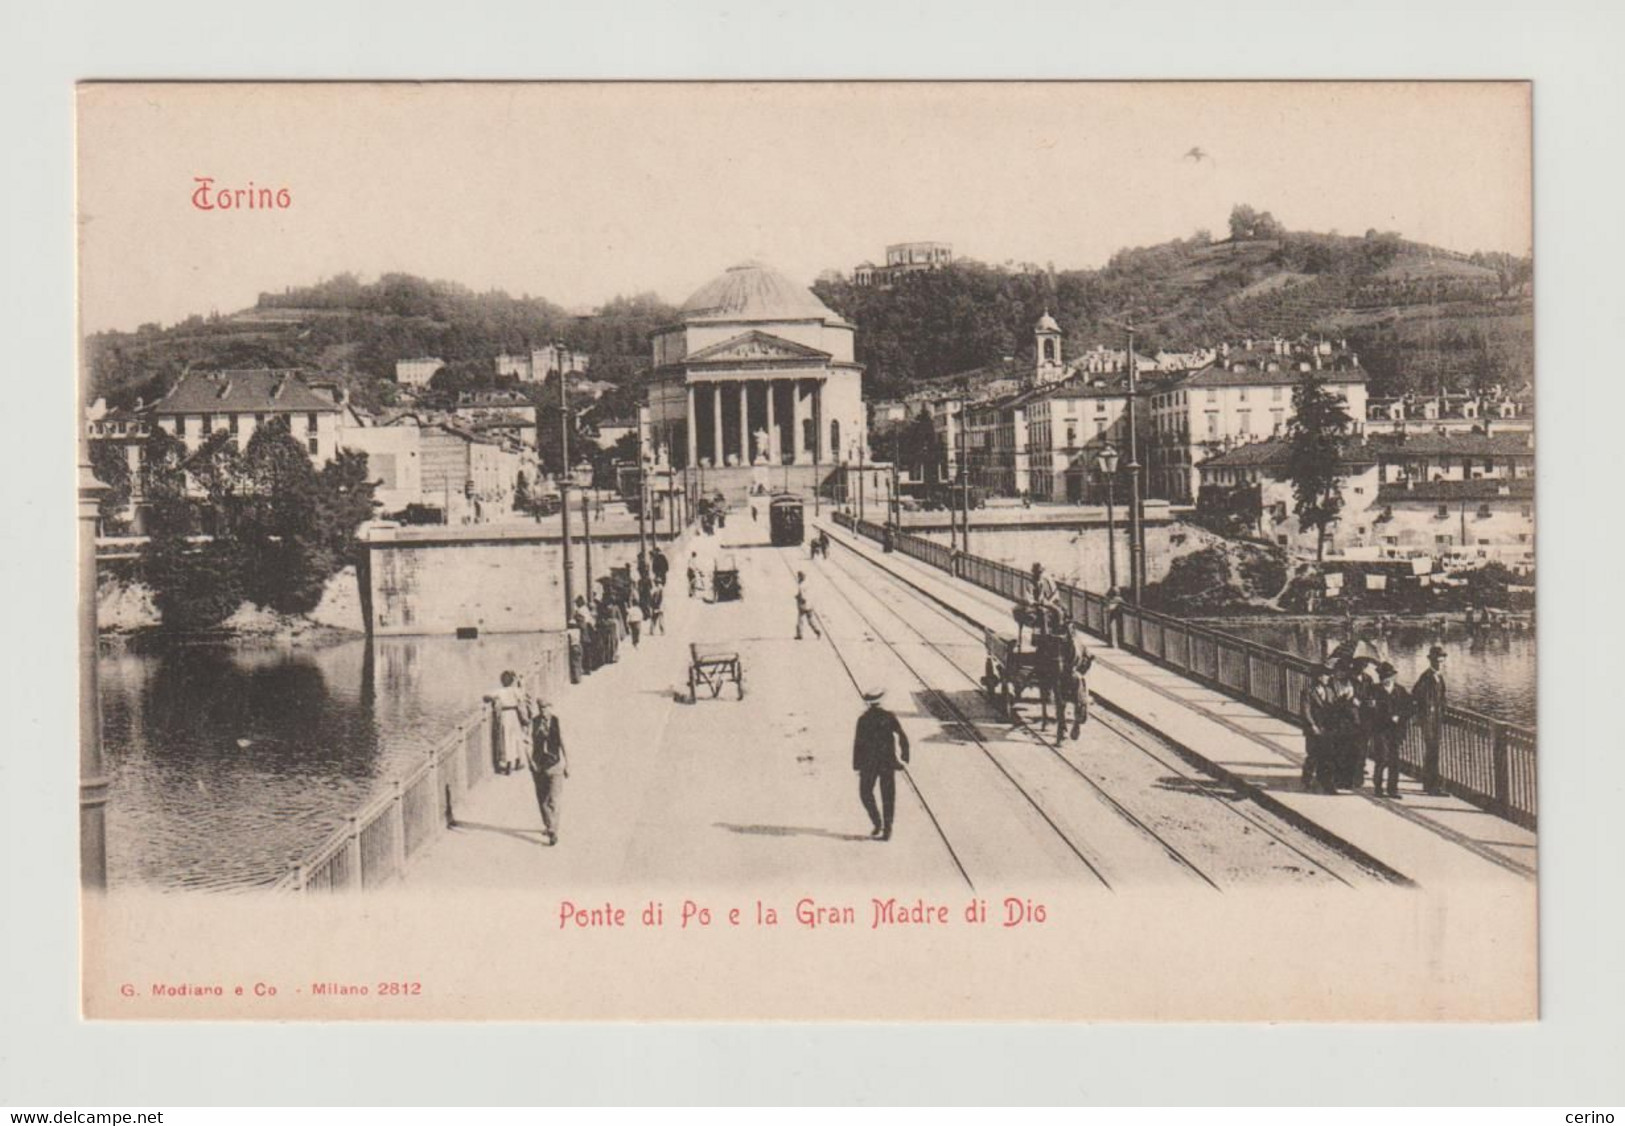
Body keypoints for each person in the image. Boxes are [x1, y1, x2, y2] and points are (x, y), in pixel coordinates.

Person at [852, 687, 910, 840]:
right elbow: (902, 736)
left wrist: (857, 765)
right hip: (887, 762)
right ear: (881, 701)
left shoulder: (863, 719)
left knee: (865, 793)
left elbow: (858, 744)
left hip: (869, 764)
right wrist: (905, 756)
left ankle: (877, 822)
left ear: (868, 704)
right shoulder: (889, 716)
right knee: (888, 797)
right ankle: (887, 830)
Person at [526, 696, 568, 846]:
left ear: (551, 707)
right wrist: (531, 762)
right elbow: (528, 743)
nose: (543, 711)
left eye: (546, 708)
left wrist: (567, 763)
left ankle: (553, 831)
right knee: (542, 800)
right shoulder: (534, 723)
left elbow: (562, 742)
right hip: (539, 766)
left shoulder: (556, 721)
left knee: (554, 800)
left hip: (555, 765)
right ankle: (548, 824)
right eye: (541, 708)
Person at [1299, 660, 1344, 794]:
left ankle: (1327, 784)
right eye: (1326, 675)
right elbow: (1305, 710)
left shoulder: (1330, 690)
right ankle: (1307, 781)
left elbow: (1334, 707)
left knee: (1328, 756)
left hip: (1327, 728)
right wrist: (1312, 725)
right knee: (1313, 756)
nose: (1328, 678)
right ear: (1319, 677)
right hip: (1314, 729)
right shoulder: (1308, 691)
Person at [1368, 661, 1411, 798]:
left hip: (1395, 731)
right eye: (1382, 677)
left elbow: (1409, 708)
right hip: (1380, 730)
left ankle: (1393, 789)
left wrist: (1400, 716)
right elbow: (1367, 711)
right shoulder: (1374, 690)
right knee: (1381, 758)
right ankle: (1378, 787)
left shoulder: (1400, 691)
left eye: (1387, 676)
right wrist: (1371, 707)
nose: (1384, 679)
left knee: (1395, 760)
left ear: (1392, 677)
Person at [1412, 645, 1448, 795]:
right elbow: (1416, 693)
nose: (1439, 663)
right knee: (1432, 751)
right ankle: (1432, 785)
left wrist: (1441, 708)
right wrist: (1428, 707)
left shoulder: (1438, 676)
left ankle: (1430, 784)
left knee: (1434, 751)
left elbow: (1442, 697)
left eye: (1441, 660)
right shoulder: (1426, 676)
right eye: (1436, 661)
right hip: (1428, 719)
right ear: (1431, 661)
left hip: (1436, 719)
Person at [483, 670, 534, 775]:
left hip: (504, 716)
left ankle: (508, 764)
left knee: (506, 739)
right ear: (512, 681)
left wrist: (493, 699)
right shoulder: (515, 690)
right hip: (514, 715)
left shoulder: (499, 691)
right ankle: (517, 761)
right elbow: (524, 696)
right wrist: (521, 683)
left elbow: (485, 697)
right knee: (516, 738)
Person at [794, 571, 822, 640]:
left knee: (800, 620)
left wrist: (797, 597)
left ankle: (799, 635)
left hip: (803, 606)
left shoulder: (801, 586)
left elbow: (803, 597)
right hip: (810, 605)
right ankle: (817, 631)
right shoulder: (808, 583)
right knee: (810, 620)